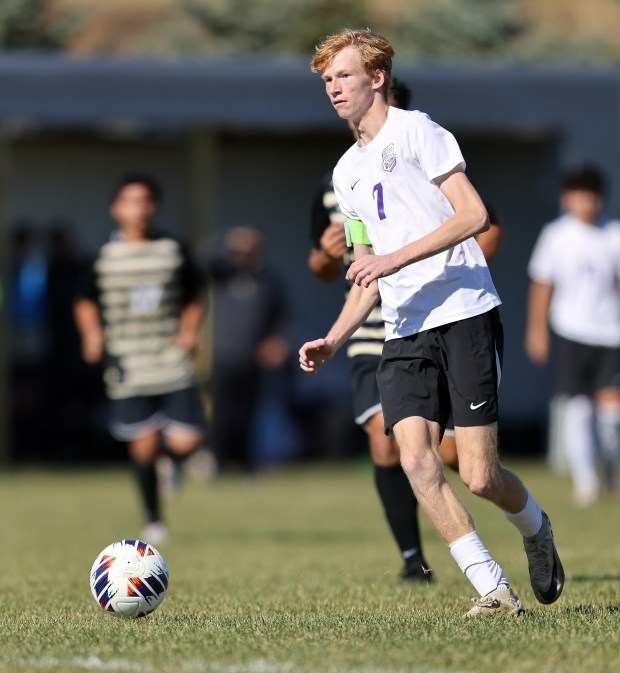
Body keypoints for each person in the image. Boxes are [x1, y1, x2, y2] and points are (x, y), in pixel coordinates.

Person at [300, 28, 564, 617]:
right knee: (415, 458)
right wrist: (335, 340)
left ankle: (537, 528)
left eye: (343, 75)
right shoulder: (346, 173)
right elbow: (366, 270)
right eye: (326, 80)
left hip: (465, 312)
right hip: (404, 328)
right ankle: (493, 590)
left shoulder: (420, 130)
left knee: (478, 474)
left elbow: (473, 215)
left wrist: (394, 258)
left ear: (377, 77)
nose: (334, 87)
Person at [309, 78, 432, 583]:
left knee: (450, 455)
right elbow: (319, 266)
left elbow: (484, 229)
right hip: (369, 328)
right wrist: (327, 251)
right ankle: (412, 560)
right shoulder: (338, 180)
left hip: (431, 315)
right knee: (385, 445)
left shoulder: (428, 158)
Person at [74, 173, 205, 545]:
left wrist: (190, 330)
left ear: (155, 206)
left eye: (146, 201)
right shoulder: (102, 254)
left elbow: (195, 294)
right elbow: (83, 300)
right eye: (131, 201)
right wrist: (91, 333)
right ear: (116, 209)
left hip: (170, 357)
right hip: (127, 362)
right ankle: (153, 519)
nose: (139, 209)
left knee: (187, 442)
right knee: (143, 444)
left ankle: (174, 464)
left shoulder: (173, 248)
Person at [525, 165, 620, 506]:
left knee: (611, 414)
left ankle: (609, 468)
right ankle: (585, 480)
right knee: (578, 407)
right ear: (567, 199)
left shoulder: (613, 234)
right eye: (578, 196)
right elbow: (542, 284)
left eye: (591, 196)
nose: (585, 203)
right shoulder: (556, 235)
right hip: (570, 330)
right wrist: (536, 331)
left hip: (611, 333)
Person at [203, 226, 291, 473]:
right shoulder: (222, 275)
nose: (242, 255)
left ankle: (246, 465)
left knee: (249, 414)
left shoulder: (268, 281)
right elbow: (201, 260)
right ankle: (218, 463)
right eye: (237, 251)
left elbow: (282, 318)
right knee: (221, 414)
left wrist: (277, 341)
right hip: (222, 355)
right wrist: (224, 241)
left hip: (253, 358)